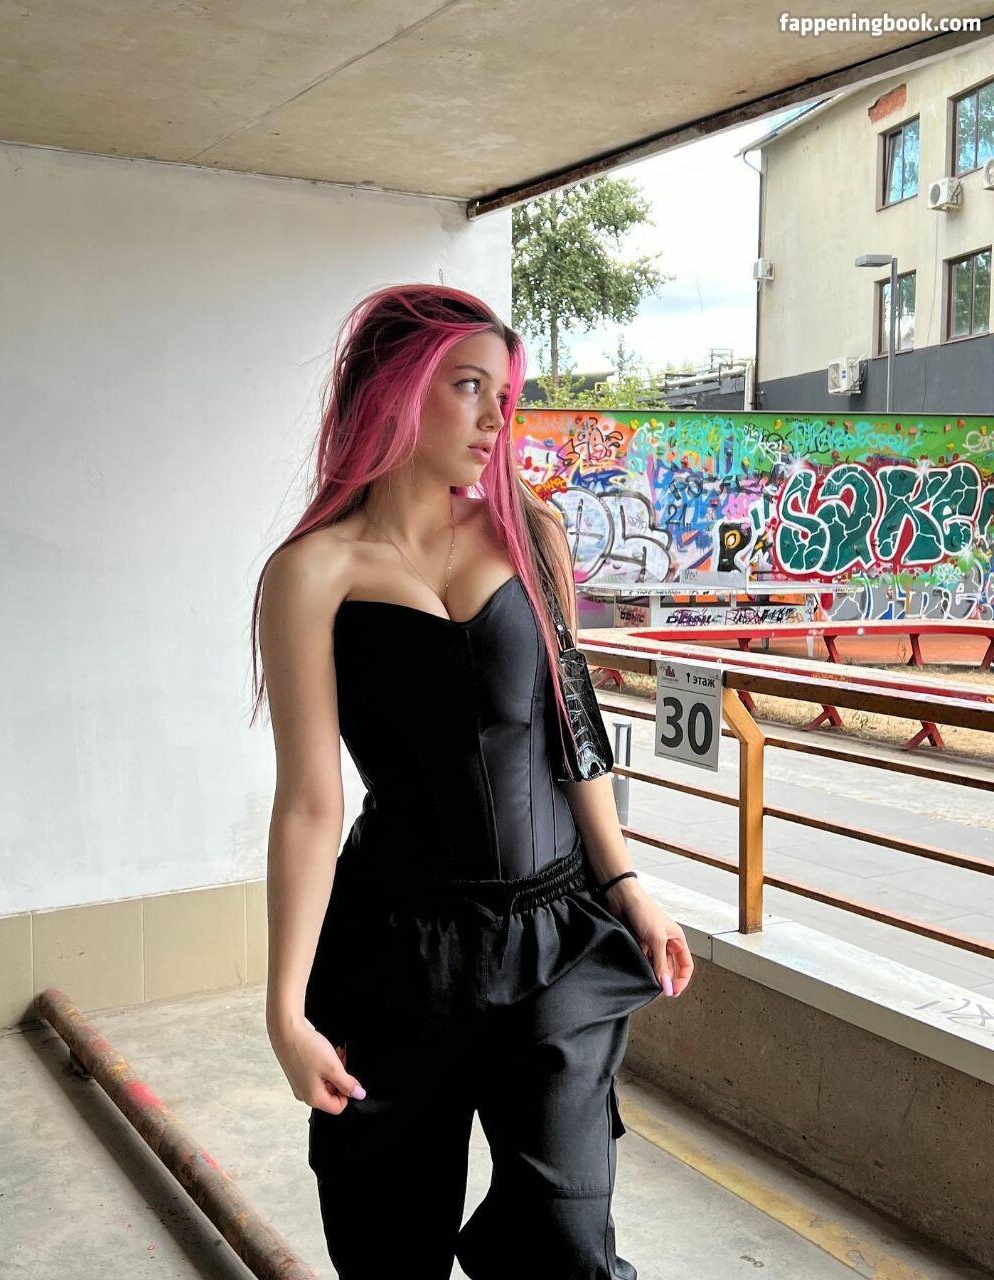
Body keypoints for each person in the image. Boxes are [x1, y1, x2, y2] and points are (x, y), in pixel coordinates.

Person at [250, 284, 694, 1279]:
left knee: (566, 1240)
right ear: (394, 391)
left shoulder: (530, 534)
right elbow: (310, 803)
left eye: (504, 393)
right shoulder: (312, 573)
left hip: (554, 934)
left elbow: (573, 728)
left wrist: (626, 883)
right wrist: (285, 1008)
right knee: (386, 1240)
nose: (497, 416)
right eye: (467, 387)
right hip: (396, 947)